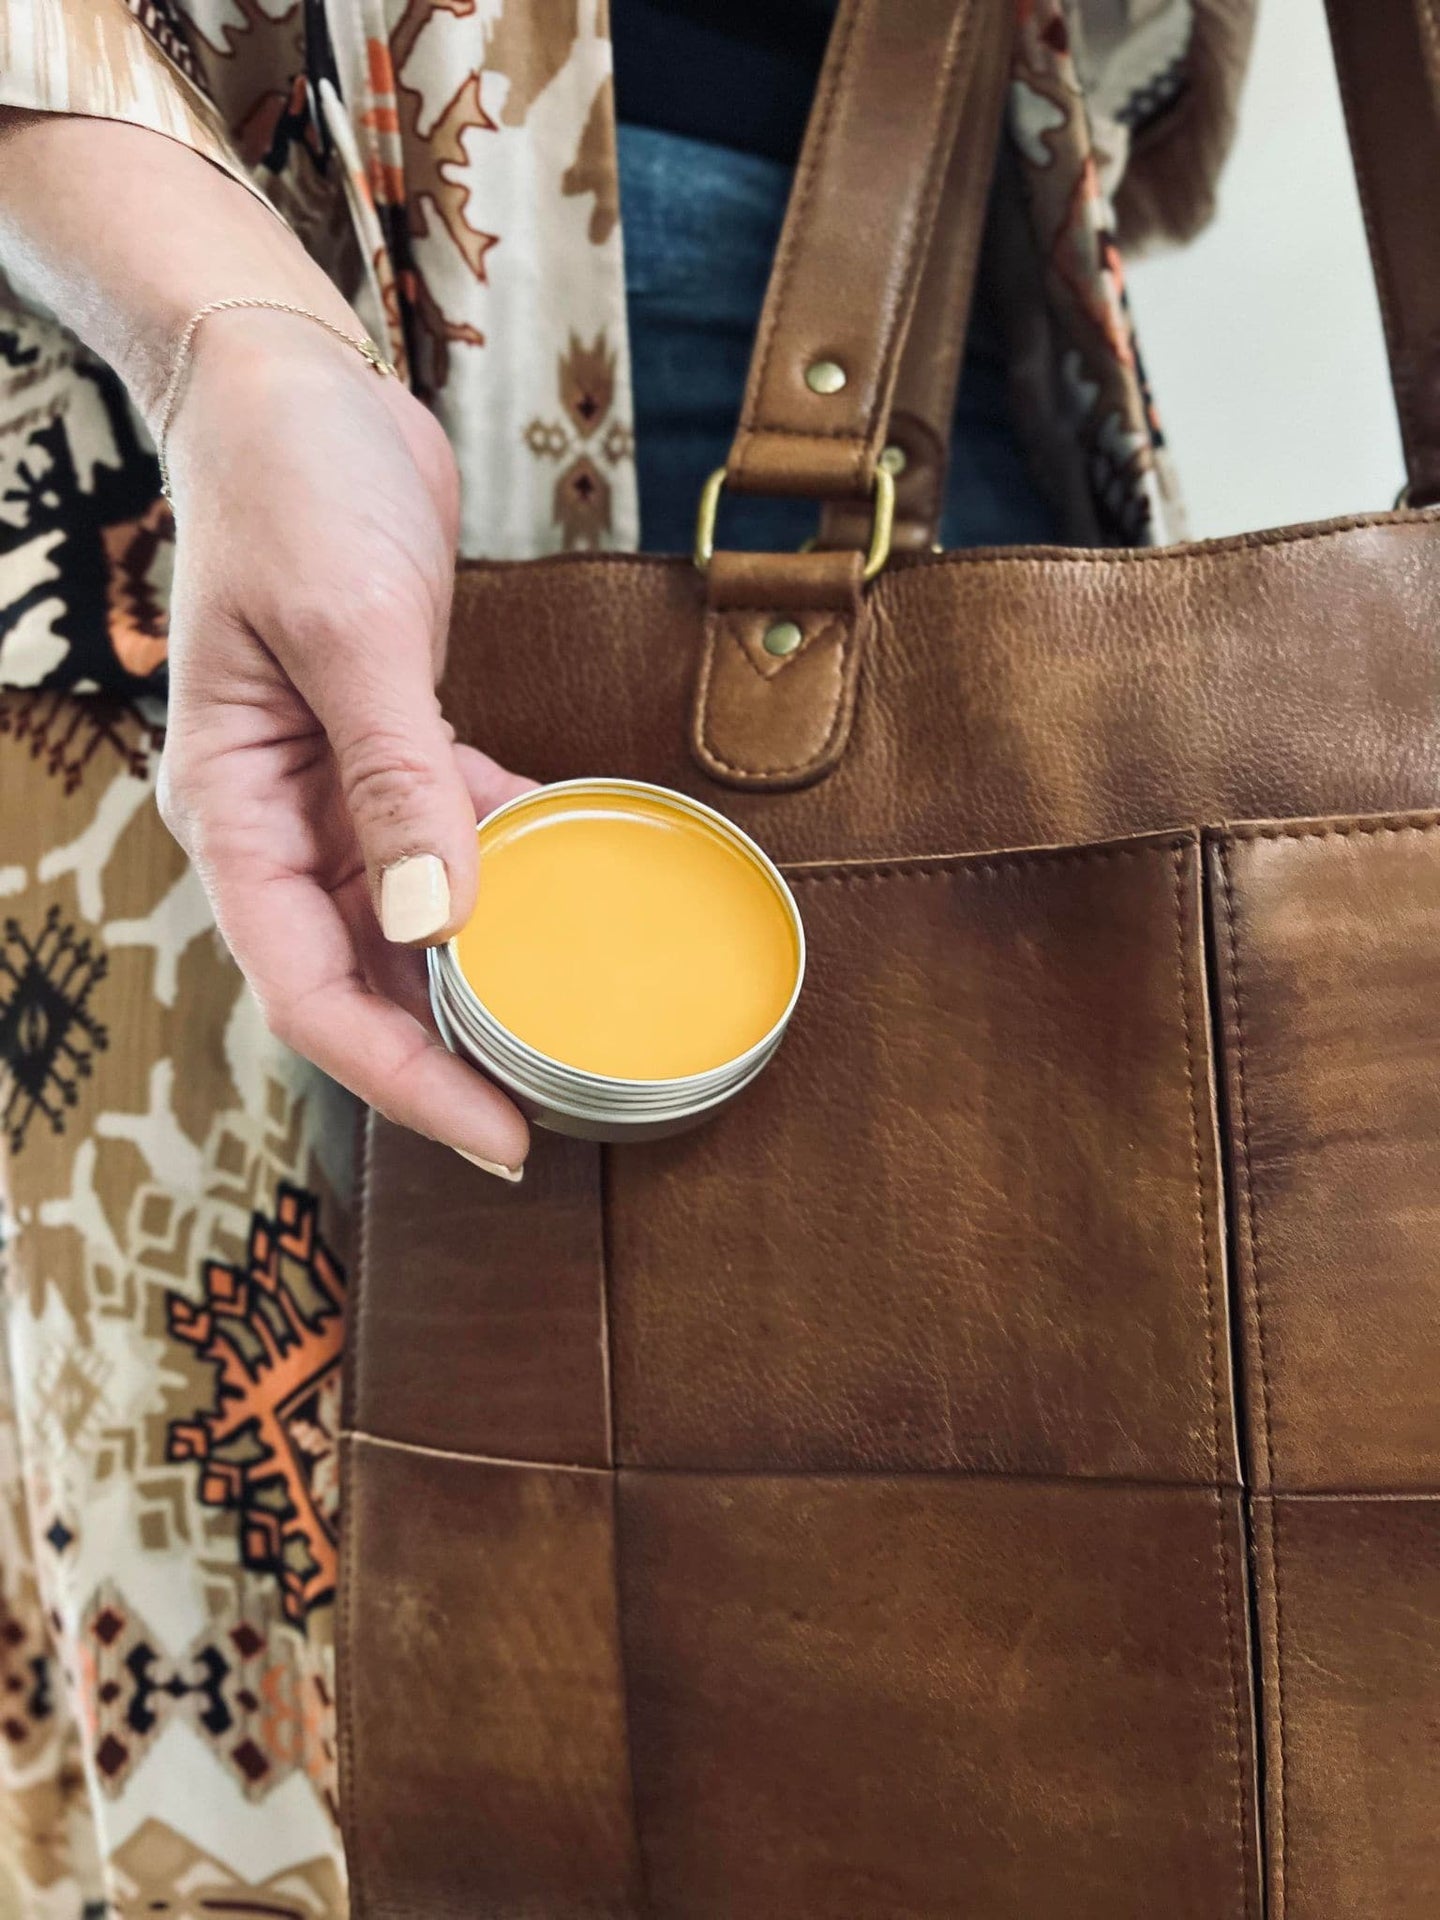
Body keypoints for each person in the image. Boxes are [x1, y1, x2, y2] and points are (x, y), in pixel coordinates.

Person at [0, 0, 1255, 1905]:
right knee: (334, 1712)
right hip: (227, 416)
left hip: (940, 309)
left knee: (1031, 1706)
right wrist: (225, 334)